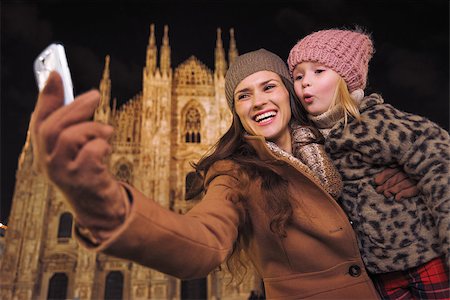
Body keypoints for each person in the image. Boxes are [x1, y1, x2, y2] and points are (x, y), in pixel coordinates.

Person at [31, 49, 385, 299]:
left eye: (269, 86)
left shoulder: (343, 141)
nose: (258, 101)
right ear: (234, 111)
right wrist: (102, 204)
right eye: (243, 95)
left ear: (290, 93)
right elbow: (202, 239)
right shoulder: (235, 172)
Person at [287, 28, 450, 299]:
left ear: (346, 79)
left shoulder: (376, 121)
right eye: (298, 76)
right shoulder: (311, 141)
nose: (305, 82)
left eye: (319, 71)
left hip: (425, 259)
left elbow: (440, 164)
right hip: (378, 274)